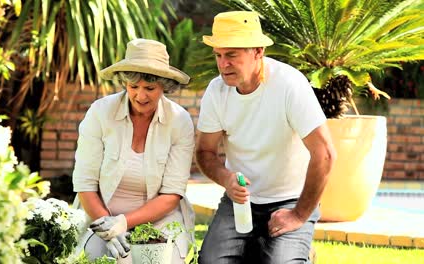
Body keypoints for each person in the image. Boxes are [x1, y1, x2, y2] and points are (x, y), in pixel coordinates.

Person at [196, 11, 336, 263]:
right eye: (218, 55)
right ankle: (257, 247)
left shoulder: (290, 85)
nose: (222, 64)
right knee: (210, 261)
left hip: (290, 200)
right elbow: (205, 152)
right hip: (239, 202)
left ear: (258, 51)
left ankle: (294, 250)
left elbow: (324, 153)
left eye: (231, 55)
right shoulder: (216, 91)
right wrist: (226, 179)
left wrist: (298, 215)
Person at [72, 38, 195, 263]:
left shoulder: (179, 121)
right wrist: (108, 227)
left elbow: (171, 194)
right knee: (111, 259)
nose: (140, 96)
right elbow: (85, 184)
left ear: (164, 86)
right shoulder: (100, 113)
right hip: (100, 216)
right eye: (133, 87)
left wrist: (124, 223)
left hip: (159, 219)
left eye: (150, 88)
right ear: (125, 84)